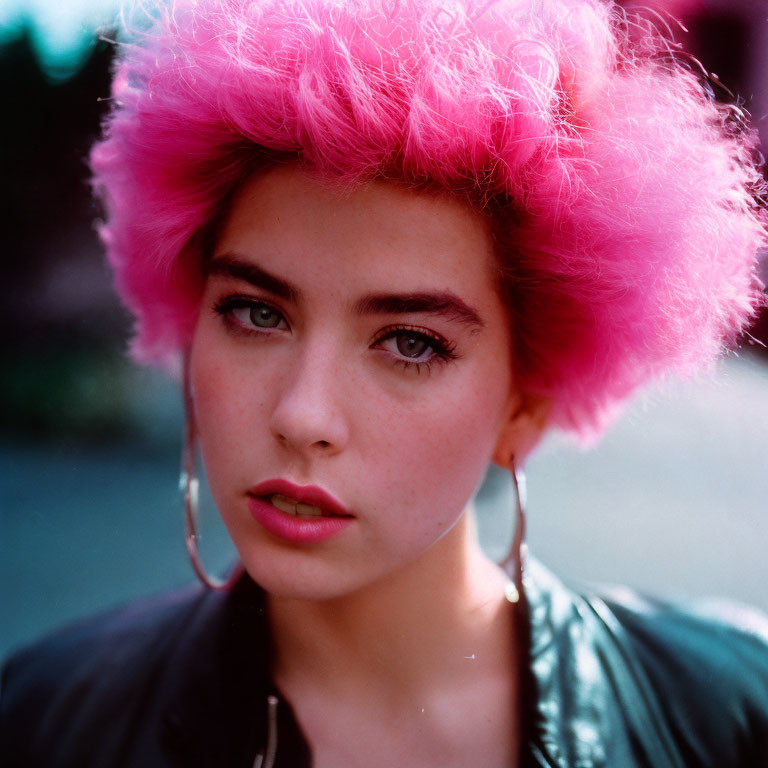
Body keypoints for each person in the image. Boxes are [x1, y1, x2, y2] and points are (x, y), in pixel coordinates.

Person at [2, 0, 767, 765]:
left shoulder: (732, 708)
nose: (303, 416)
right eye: (256, 313)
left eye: (410, 342)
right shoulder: (43, 721)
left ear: (523, 404)